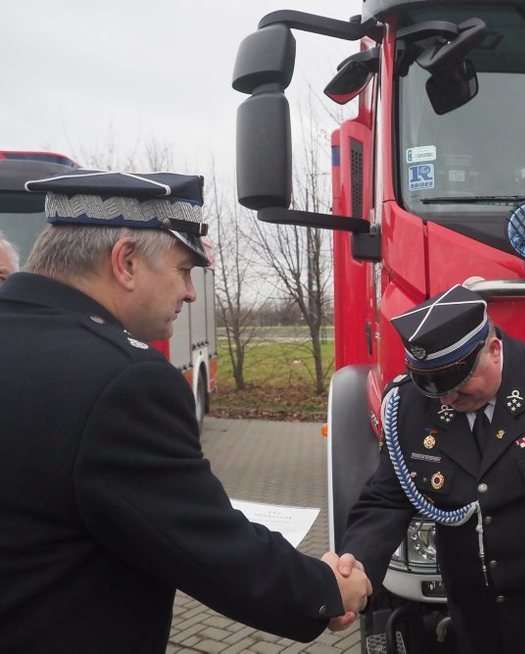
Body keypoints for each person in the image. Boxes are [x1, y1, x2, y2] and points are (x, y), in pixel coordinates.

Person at [0, 170, 371, 653]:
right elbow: (211, 550)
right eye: (182, 270)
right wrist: (327, 589)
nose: (192, 293)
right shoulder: (124, 381)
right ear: (126, 262)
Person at [335, 284, 525, 654]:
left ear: (493, 350)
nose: (447, 398)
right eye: (434, 386)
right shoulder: (409, 405)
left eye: (458, 384)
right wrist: (355, 565)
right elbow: (387, 498)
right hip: (476, 618)